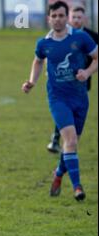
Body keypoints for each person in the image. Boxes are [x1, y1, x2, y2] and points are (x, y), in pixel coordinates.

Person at [22, 1, 98, 201]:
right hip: (58, 99)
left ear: (67, 17)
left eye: (61, 16)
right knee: (70, 141)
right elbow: (38, 61)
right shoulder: (43, 43)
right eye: (54, 16)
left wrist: (87, 71)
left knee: (71, 145)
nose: (57, 19)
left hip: (80, 99)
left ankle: (58, 174)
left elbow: (97, 57)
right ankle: (77, 187)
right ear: (49, 19)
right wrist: (32, 81)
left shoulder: (81, 37)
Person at [47, 5, 98, 153]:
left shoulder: (92, 37)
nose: (76, 20)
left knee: (74, 111)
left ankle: (69, 142)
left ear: (85, 19)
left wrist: (87, 72)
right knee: (63, 107)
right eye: (73, 17)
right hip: (61, 82)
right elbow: (47, 53)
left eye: (79, 17)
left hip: (82, 82)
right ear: (69, 18)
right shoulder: (61, 35)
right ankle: (57, 137)